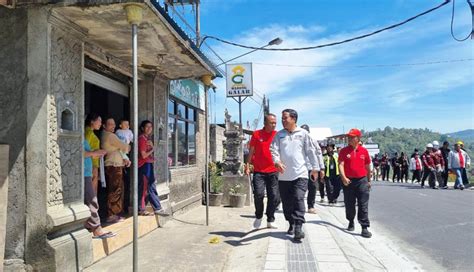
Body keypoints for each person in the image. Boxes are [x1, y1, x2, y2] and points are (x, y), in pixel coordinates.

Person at [270, 109, 320, 241]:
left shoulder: (303, 134)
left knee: (298, 198)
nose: (283, 120)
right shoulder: (279, 135)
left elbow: (311, 151)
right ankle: (291, 223)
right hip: (284, 175)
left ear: (293, 119)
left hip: (300, 173)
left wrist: (315, 168)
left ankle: (298, 226)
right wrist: (277, 161)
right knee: (287, 203)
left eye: (285, 118)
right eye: (282, 118)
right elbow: (273, 150)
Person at [245, 114, 280, 229]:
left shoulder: (277, 135)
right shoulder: (257, 134)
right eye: (271, 122)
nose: (274, 125)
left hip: (273, 170)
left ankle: (270, 219)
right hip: (259, 171)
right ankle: (259, 216)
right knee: (258, 195)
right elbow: (251, 151)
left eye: (275, 123)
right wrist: (247, 165)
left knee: (273, 196)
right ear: (265, 123)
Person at [338, 128, 372, 238]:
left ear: (358, 138)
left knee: (363, 204)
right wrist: (343, 177)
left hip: (362, 180)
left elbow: (367, 167)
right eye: (349, 137)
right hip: (349, 181)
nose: (350, 139)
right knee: (349, 204)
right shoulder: (344, 151)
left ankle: (364, 227)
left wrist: (369, 180)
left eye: (352, 137)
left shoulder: (364, 151)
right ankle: (351, 221)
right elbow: (341, 165)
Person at [83, 140, 115, 239]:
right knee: (92, 200)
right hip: (82, 173)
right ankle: (97, 228)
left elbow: (87, 154)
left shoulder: (84, 139)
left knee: (88, 200)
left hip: (87, 172)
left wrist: (95, 153)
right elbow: (78, 153)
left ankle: (89, 224)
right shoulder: (81, 137)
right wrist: (94, 153)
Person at [101, 117, 131, 223]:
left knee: (116, 189)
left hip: (113, 165)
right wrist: (126, 146)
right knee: (115, 191)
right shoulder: (110, 136)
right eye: (110, 124)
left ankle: (114, 213)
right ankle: (112, 215)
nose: (113, 126)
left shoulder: (106, 135)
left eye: (114, 124)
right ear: (104, 126)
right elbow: (125, 147)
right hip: (114, 166)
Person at [137, 120, 165, 215]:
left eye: (151, 127)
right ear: (142, 128)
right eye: (147, 127)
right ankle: (155, 208)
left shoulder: (146, 139)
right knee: (148, 186)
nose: (149, 129)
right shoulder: (141, 139)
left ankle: (144, 208)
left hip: (148, 164)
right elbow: (144, 155)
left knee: (147, 187)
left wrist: (152, 147)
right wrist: (153, 149)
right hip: (144, 166)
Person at [300, 124, 325, 213]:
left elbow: (319, 154)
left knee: (313, 187)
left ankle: (310, 206)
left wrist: (321, 168)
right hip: (301, 168)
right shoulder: (297, 141)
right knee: (299, 188)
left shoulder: (313, 141)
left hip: (312, 168)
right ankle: (298, 206)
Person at [85, 113, 102, 194]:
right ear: (92, 121)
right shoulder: (88, 133)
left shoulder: (90, 132)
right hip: (90, 164)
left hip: (93, 163)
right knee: (92, 191)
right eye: (99, 121)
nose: (100, 124)